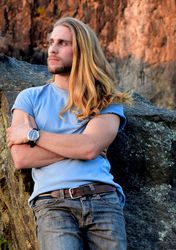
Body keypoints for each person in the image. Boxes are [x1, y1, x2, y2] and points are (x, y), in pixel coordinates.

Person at [6, 17, 132, 250]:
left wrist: (34, 135)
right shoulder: (29, 98)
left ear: (82, 50)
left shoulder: (106, 98)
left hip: (102, 199)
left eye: (63, 43)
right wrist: (81, 145)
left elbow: (89, 147)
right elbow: (22, 158)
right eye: (52, 42)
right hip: (52, 205)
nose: (52, 49)